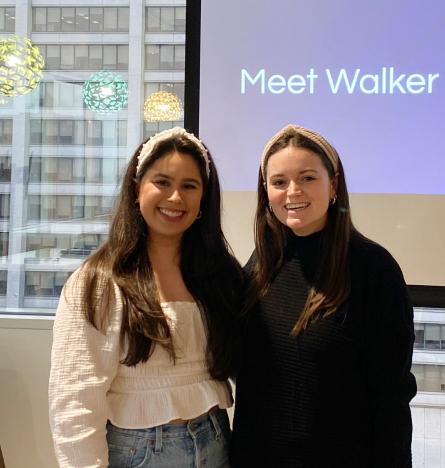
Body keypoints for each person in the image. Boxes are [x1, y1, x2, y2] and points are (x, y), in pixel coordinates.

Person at [49, 128, 242, 468]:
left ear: (203, 199)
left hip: (216, 440)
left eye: (189, 186)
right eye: (162, 182)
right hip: (141, 452)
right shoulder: (98, 282)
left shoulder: (221, 275)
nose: (175, 197)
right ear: (137, 190)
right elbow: (75, 401)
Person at [232, 124, 417, 467]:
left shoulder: (373, 270)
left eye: (307, 178)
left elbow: (391, 397)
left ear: (333, 185)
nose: (292, 192)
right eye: (279, 181)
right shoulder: (259, 266)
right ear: (265, 190)